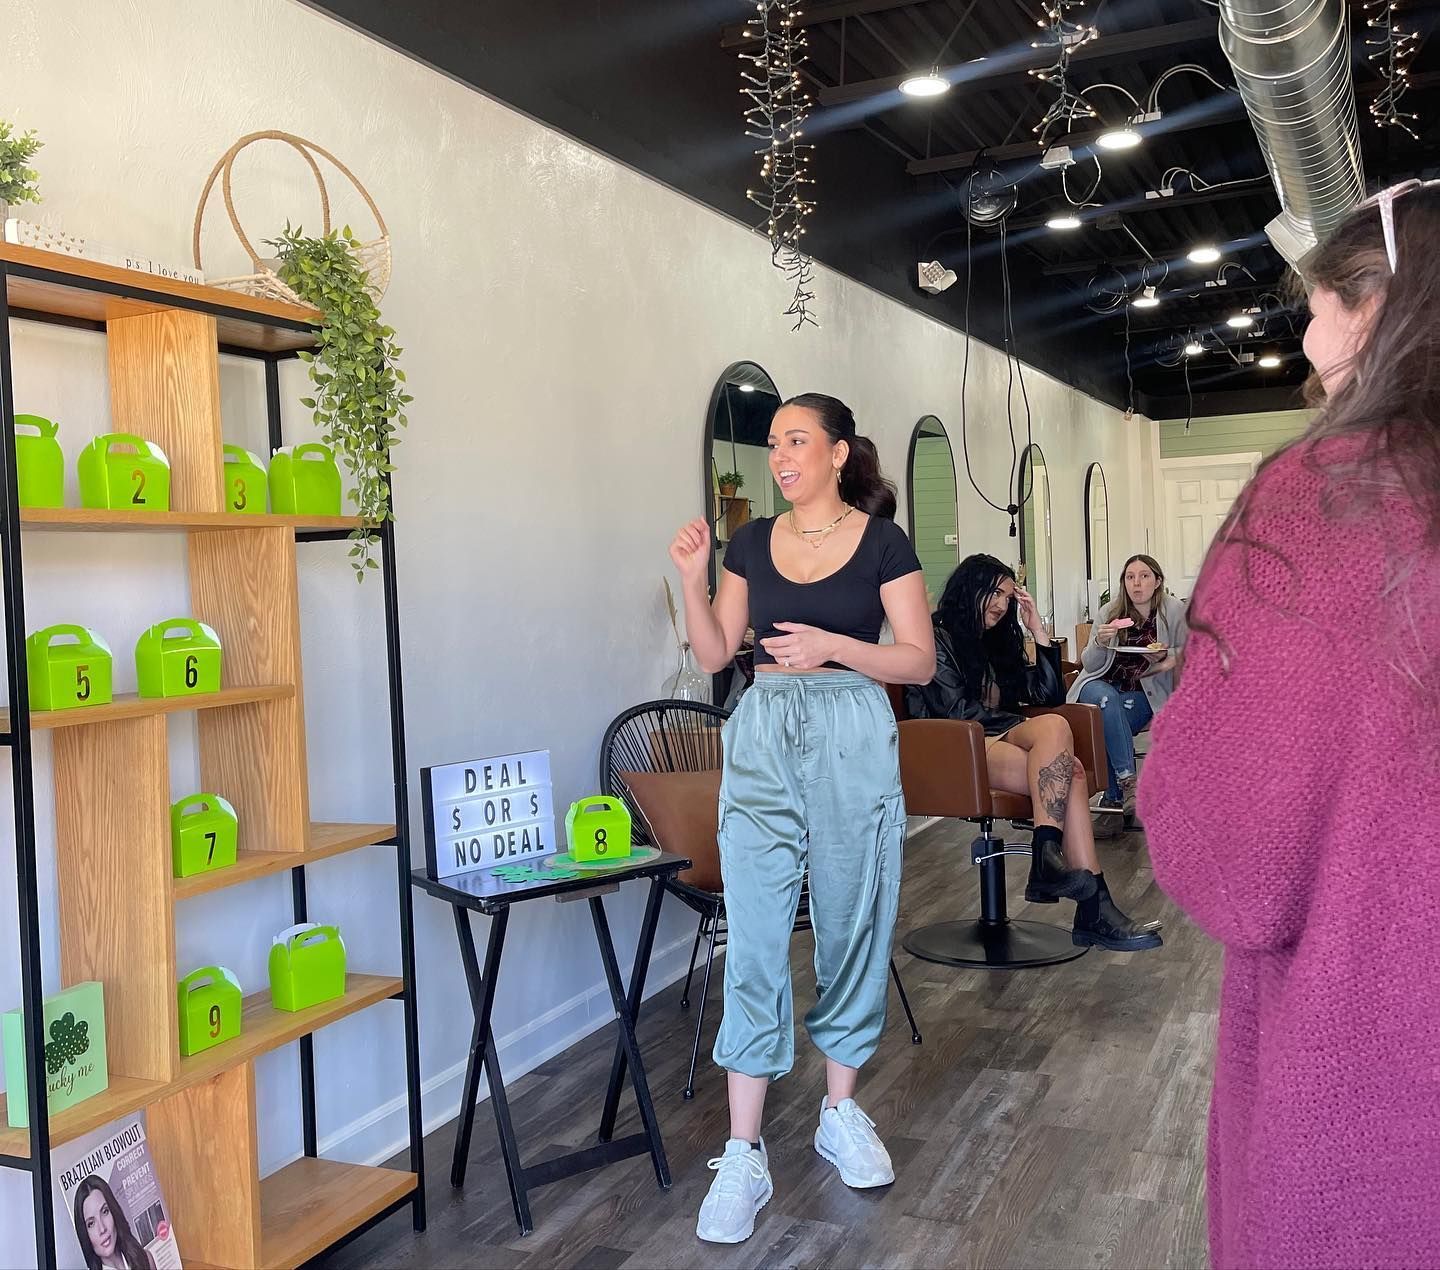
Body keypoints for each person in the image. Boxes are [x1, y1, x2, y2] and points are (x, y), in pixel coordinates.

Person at [1139, 185, 1440, 1269]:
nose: (1308, 347)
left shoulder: (1331, 501)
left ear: (1375, 305)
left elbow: (1231, 863)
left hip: (1377, 1097)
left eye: (1313, 306)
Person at [669, 392, 935, 1245]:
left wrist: (832, 646)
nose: (780, 456)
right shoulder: (751, 541)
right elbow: (715, 654)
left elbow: (919, 658)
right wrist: (691, 578)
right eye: (774, 442)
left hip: (854, 728)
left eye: (795, 441)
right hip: (764, 733)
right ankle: (743, 1150)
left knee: (855, 922)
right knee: (752, 933)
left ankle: (838, 1112)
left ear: (838, 452)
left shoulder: (884, 541)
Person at [906, 553, 1162, 951]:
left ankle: (1053, 861)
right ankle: (1092, 906)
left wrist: (1038, 630)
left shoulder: (994, 641)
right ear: (968, 589)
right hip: (953, 747)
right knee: (1066, 768)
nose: (1000, 604)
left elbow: (1049, 695)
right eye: (993, 593)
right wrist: (1011, 725)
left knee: (1064, 752)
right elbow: (954, 712)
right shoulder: (935, 636)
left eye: (1008, 597)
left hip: (992, 737)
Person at [1068, 554, 1188, 822]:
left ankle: (1113, 802)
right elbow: (1088, 663)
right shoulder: (1110, 612)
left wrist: (1167, 656)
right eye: (1130, 577)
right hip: (1099, 684)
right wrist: (1099, 641)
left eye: (1144, 576)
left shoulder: (1173, 610)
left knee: (1106, 718)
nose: (1137, 584)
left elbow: (1195, 649)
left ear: (1157, 581)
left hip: (1144, 693)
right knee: (1106, 701)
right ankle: (1129, 783)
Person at [73, 1175, 158, 1270]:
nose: (102, 1229)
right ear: (84, 1234)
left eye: (105, 1211)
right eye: (91, 1224)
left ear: (114, 1212)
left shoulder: (145, 1259)